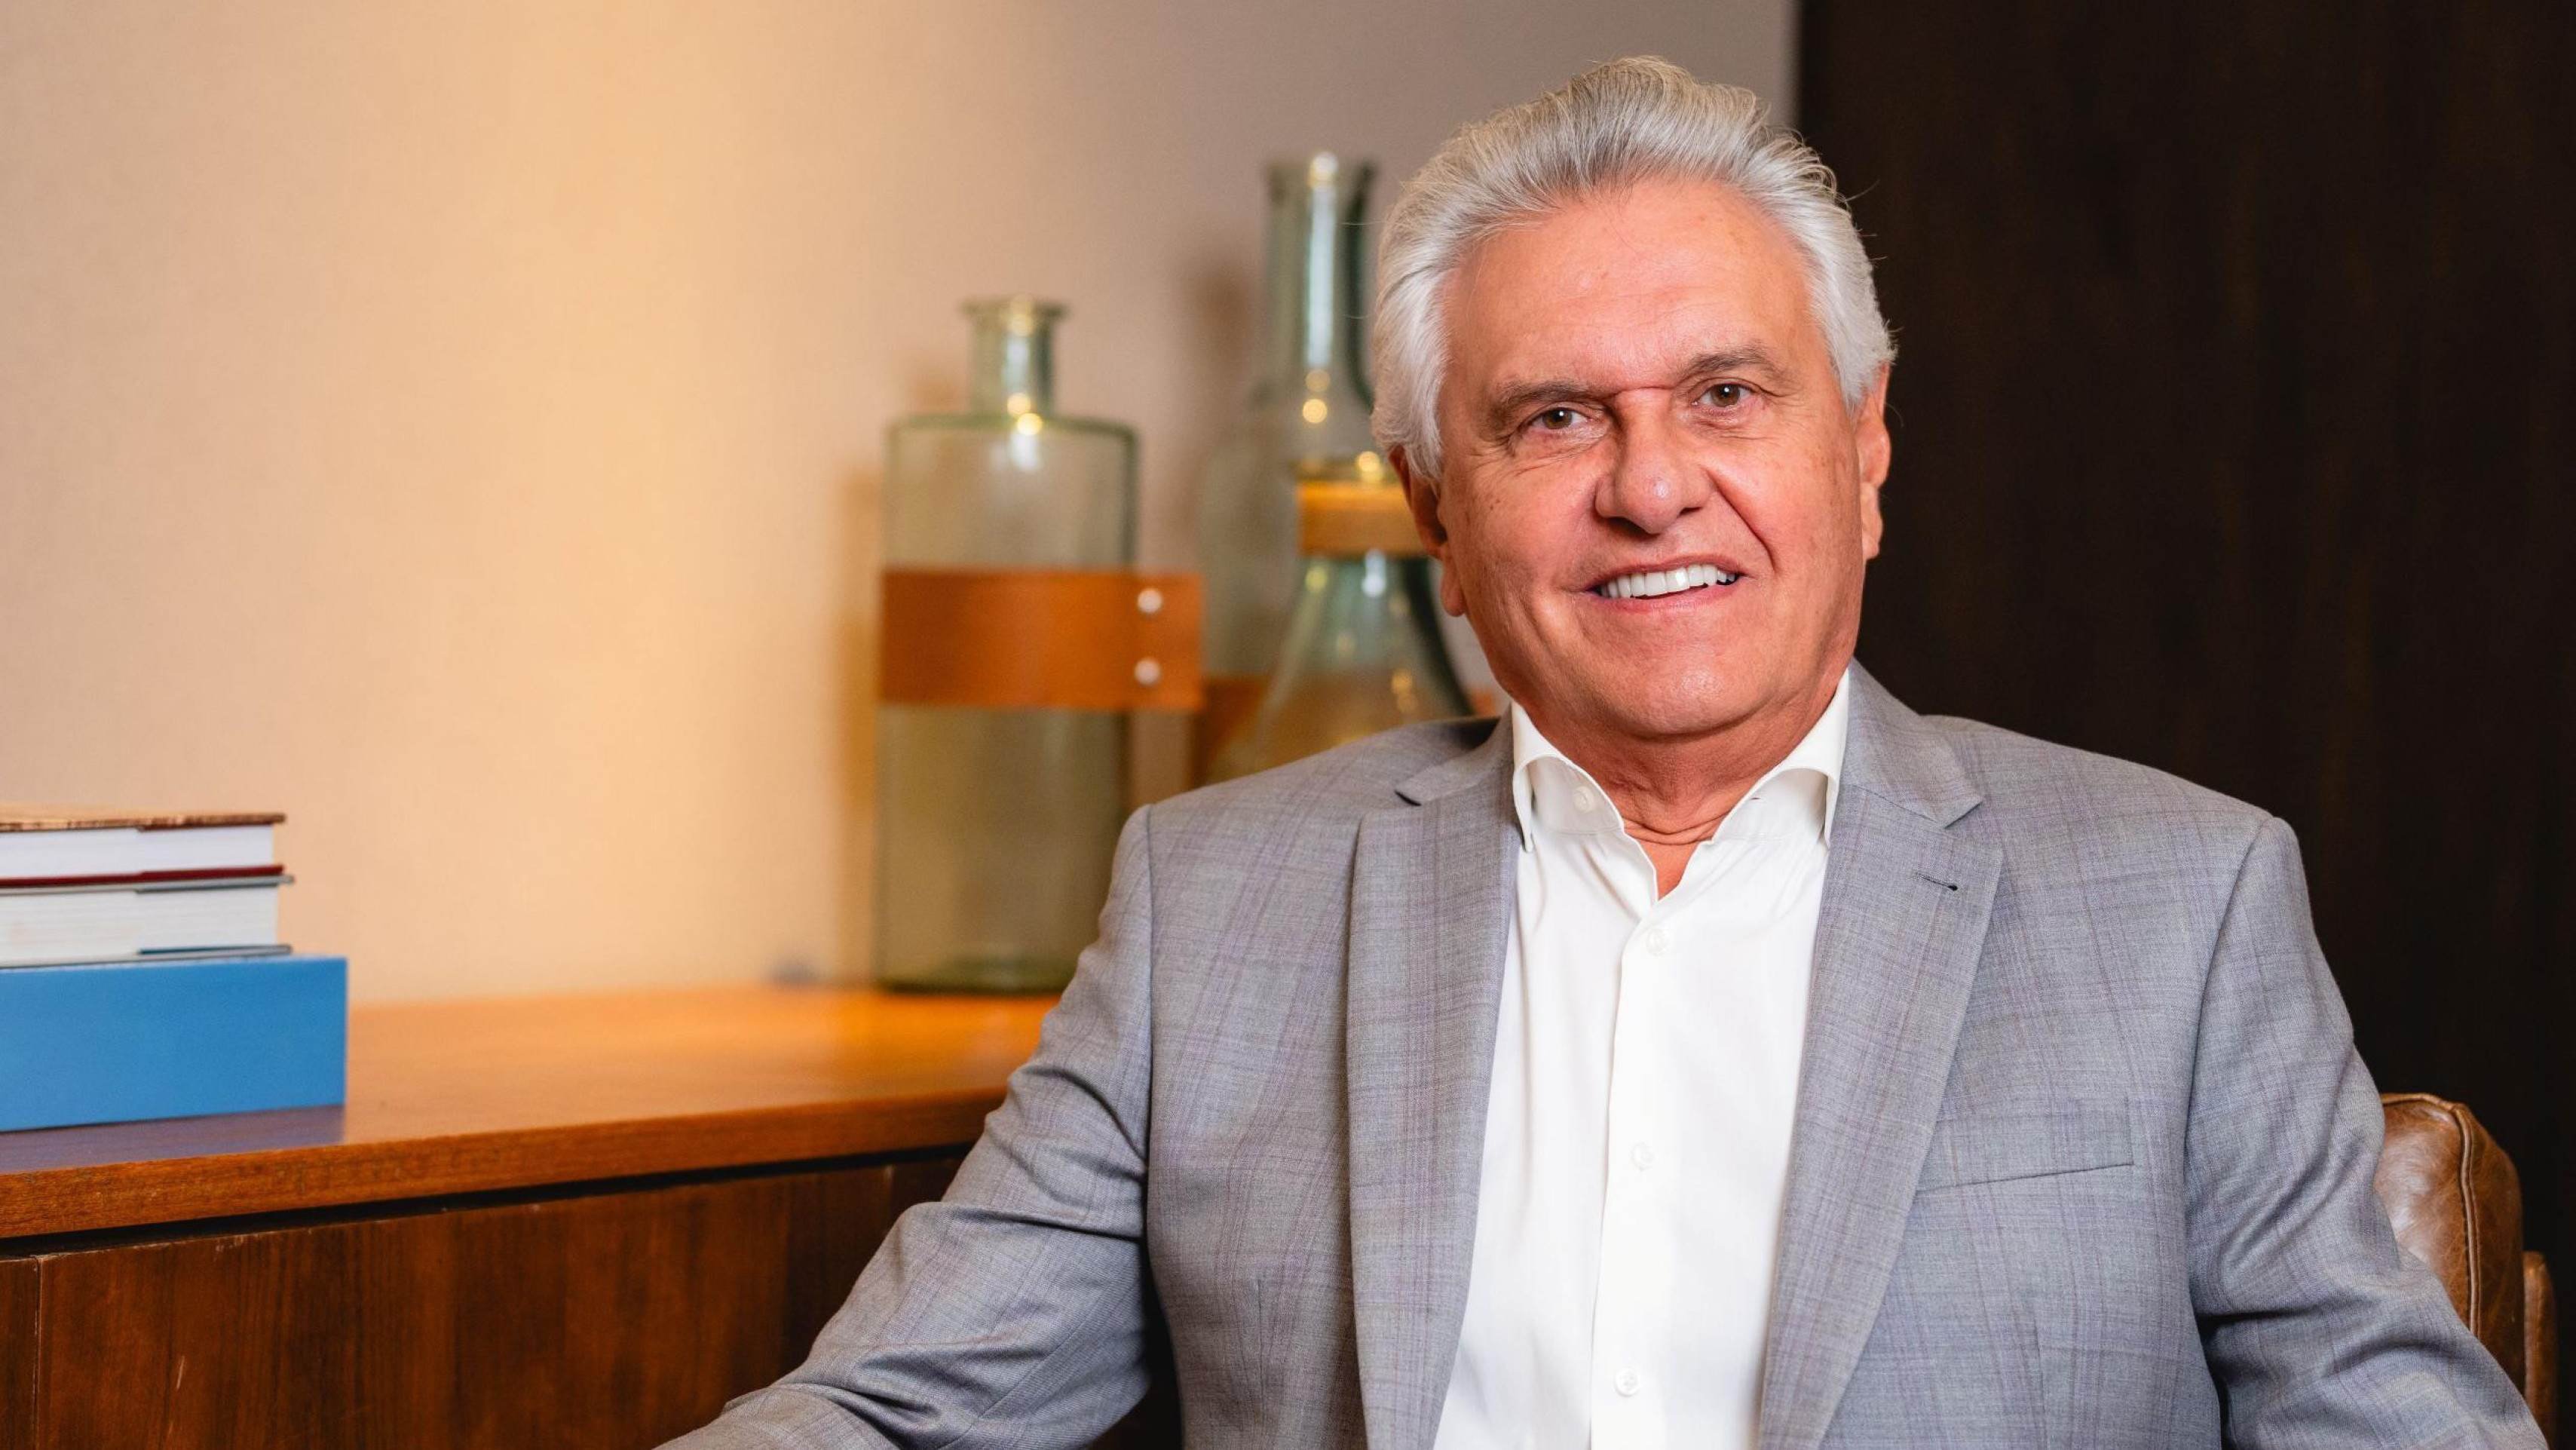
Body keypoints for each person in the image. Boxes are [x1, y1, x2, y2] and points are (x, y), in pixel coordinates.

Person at [664, 57, 2544, 1449]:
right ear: (1433, 507)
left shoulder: (2179, 901)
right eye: (1553, 417)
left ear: (1863, 447)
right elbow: (896, 1409)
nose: (1651, 488)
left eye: (1724, 393)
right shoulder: (1211, 901)